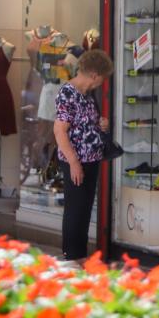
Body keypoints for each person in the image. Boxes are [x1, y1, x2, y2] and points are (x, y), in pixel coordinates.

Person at [53, 49, 113, 261]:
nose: (102, 84)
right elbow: (60, 130)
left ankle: (79, 254)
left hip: (91, 160)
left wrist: (101, 125)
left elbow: (86, 124)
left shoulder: (88, 95)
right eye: (102, 79)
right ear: (95, 75)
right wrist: (74, 163)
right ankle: (72, 255)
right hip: (76, 161)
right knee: (75, 210)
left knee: (85, 209)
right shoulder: (68, 93)